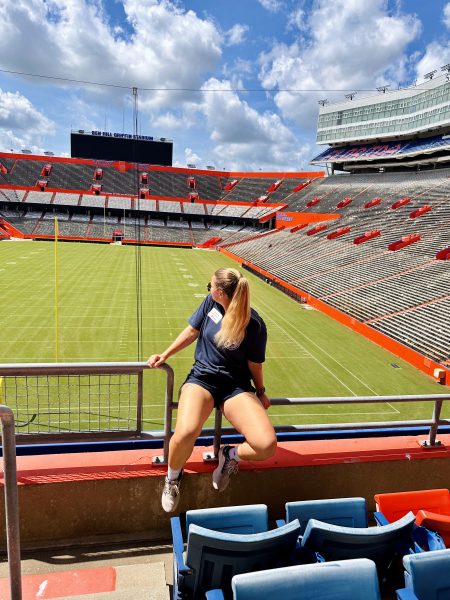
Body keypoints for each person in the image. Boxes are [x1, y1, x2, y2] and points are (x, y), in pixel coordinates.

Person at [147, 267, 276, 513]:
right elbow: (192, 331)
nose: (209, 290)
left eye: (210, 287)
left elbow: (254, 364)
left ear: (220, 292)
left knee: (266, 444)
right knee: (185, 432)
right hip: (202, 379)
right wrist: (165, 354)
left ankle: (230, 456)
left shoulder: (255, 324)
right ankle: (173, 478)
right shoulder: (210, 304)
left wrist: (260, 391)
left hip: (235, 386)